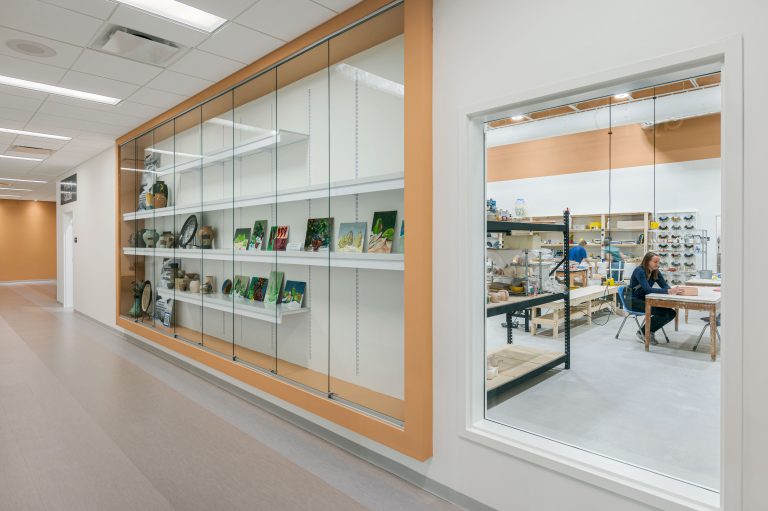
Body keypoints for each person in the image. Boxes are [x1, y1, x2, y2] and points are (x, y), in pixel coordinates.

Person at [628, 251, 683, 344]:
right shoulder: (639, 271)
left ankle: (650, 331)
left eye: (658, 262)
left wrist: (673, 291)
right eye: (655, 262)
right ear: (647, 262)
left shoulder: (655, 272)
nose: (657, 264)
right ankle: (642, 333)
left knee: (671, 313)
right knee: (663, 314)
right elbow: (648, 289)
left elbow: (664, 286)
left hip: (646, 299)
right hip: (633, 301)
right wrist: (668, 291)